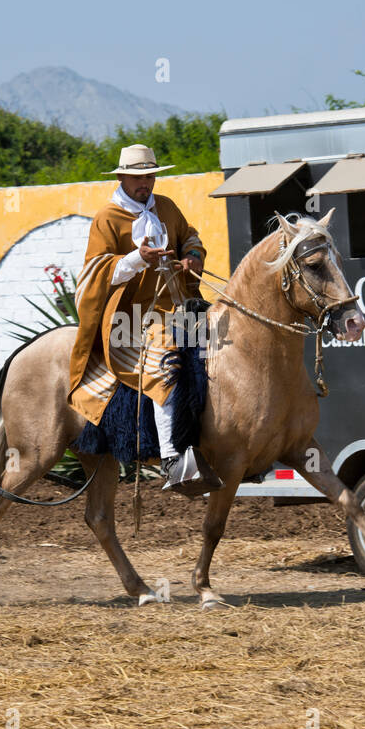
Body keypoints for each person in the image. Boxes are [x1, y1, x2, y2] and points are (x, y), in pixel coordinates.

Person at [67, 144, 220, 494]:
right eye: (138, 177)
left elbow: (190, 236)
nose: (145, 183)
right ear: (121, 177)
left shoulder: (166, 207)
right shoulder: (107, 218)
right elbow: (94, 273)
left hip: (180, 304)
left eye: (150, 176)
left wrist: (193, 256)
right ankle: (171, 459)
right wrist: (138, 258)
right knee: (165, 354)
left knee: (229, 337)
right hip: (131, 315)